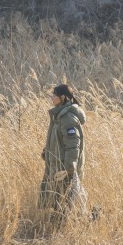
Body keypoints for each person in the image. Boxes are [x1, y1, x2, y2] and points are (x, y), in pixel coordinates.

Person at [39, 84, 87, 217]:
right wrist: (47, 151)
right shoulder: (59, 115)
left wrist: (70, 167)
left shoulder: (67, 118)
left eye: (55, 95)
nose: (52, 98)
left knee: (64, 201)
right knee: (57, 200)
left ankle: (84, 221)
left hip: (64, 167)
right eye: (52, 95)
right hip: (56, 164)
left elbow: (73, 144)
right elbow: (57, 139)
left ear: (63, 97)